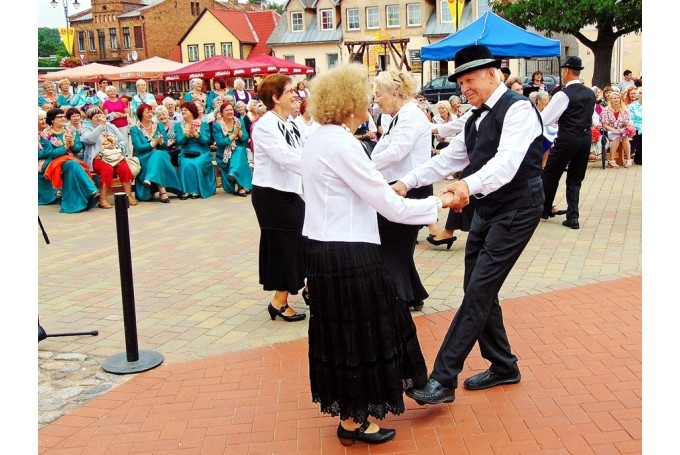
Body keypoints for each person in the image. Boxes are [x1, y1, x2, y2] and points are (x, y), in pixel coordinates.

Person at [302, 62, 454, 446]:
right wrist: (440, 203)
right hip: (349, 251)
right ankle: (354, 421)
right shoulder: (341, 144)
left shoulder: (319, 138)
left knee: (345, 335)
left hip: (324, 248)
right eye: (365, 98)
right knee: (364, 335)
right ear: (349, 103)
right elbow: (390, 207)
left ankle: (355, 415)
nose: (369, 105)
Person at [392, 44, 545, 405]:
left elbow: (506, 164)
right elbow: (449, 158)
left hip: (519, 207)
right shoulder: (476, 116)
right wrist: (406, 182)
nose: (465, 88)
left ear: (493, 74)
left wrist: (466, 185)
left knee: (478, 289)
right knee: (475, 285)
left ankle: (443, 379)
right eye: (460, 82)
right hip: (488, 208)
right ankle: (504, 365)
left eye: (470, 80)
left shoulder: (519, 110)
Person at [371, 68, 434, 311]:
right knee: (398, 245)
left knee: (392, 244)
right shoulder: (399, 116)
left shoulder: (410, 116)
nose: (376, 99)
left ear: (394, 93)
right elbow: (384, 150)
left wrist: (363, 166)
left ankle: (398, 297)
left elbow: (397, 151)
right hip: (400, 185)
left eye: (379, 94)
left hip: (408, 188)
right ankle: (411, 294)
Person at [250, 73, 308, 323]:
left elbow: (306, 147)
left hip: (289, 192)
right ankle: (279, 301)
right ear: (275, 98)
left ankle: (308, 289)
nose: (295, 95)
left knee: (302, 241)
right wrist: (317, 168)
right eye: (289, 91)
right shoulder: (265, 126)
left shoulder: (291, 123)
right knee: (285, 246)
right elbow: (284, 157)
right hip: (272, 196)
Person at [539, 56, 597, 229]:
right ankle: (573, 216)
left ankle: (544, 208)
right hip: (585, 137)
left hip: (568, 138)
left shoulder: (563, 94)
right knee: (575, 178)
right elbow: (592, 118)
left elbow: (545, 119)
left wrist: (559, 121)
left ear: (566, 71)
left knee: (550, 173)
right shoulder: (590, 93)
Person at [39, 108, 100, 213]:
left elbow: (78, 148)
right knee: (73, 164)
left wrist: (71, 143)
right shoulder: (46, 134)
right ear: (52, 120)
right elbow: (50, 153)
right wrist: (64, 147)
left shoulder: (71, 130)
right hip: (54, 161)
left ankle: (84, 194)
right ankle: (91, 189)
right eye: (60, 117)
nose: (63, 118)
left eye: (63, 116)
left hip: (71, 158)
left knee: (72, 164)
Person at [80, 107, 136, 209]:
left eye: (100, 114)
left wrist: (116, 146)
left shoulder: (111, 126)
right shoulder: (86, 129)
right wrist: (100, 126)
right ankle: (102, 199)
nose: (98, 117)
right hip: (98, 157)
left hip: (114, 154)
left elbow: (122, 140)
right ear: (89, 119)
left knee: (124, 168)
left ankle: (128, 196)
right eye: (94, 116)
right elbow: (89, 140)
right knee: (107, 169)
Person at [131, 104, 182, 202]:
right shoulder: (135, 129)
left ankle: (151, 181)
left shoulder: (158, 125)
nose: (150, 114)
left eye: (151, 111)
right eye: (147, 112)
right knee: (158, 156)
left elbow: (164, 145)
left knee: (158, 154)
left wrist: (161, 142)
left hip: (160, 153)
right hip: (143, 157)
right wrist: (153, 143)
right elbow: (139, 147)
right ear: (141, 114)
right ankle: (162, 190)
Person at [173, 101, 217, 199]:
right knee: (185, 164)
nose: (183, 112)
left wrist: (196, 134)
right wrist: (187, 135)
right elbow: (179, 141)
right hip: (186, 151)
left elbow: (206, 140)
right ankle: (186, 190)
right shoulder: (178, 125)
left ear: (192, 111)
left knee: (197, 164)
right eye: (182, 110)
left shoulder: (203, 124)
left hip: (202, 150)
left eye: (186, 110)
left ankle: (196, 190)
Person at [213, 102, 251, 196]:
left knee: (240, 150)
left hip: (238, 149)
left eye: (231, 109)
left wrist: (240, 132)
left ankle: (235, 177)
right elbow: (220, 143)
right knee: (239, 152)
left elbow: (246, 138)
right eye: (227, 110)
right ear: (221, 113)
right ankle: (237, 182)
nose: (230, 112)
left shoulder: (239, 121)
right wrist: (233, 135)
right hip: (224, 153)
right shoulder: (217, 125)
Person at [600, 91, 634, 169]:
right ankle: (611, 160)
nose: (616, 100)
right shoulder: (606, 110)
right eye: (614, 98)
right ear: (610, 100)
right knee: (617, 137)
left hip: (622, 130)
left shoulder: (624, 109)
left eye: (618, 98)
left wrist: (623, 129)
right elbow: (605, 125)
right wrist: (615, 130)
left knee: (624, 137)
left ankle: (628, 159)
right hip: (609, 131)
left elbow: (627, 122)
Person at [38, 109, 59, 206]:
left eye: (44, 119)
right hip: (41, 159)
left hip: (52, 155)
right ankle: (46, 197)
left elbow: (58, 144)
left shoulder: (48, 132)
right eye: (40, 119)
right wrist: (47, 152)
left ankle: (56, 194)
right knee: (44, 167)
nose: (43, 121)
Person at [628, 87, 642, 165]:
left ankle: (638, 158)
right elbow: (631, 119)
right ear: (637, 95)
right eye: (640, 93)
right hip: (636, 127)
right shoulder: (632, 106)